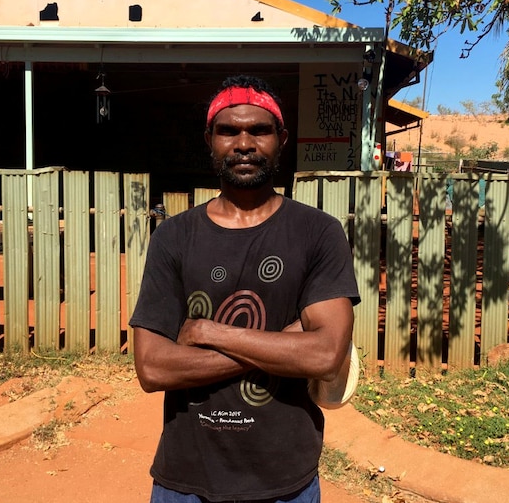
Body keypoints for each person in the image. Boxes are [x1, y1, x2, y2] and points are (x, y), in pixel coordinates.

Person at [129, 75, 360, 503]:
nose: (244, 143)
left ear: (282, 138)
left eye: (259, 130)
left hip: (285, 479)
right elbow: (153, 368)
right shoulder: (174, 236)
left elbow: (326, 355)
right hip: (186, 479)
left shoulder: (318, 233)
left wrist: (208, 332)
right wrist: (285, 343)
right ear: (210, 139)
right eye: (228, 130)